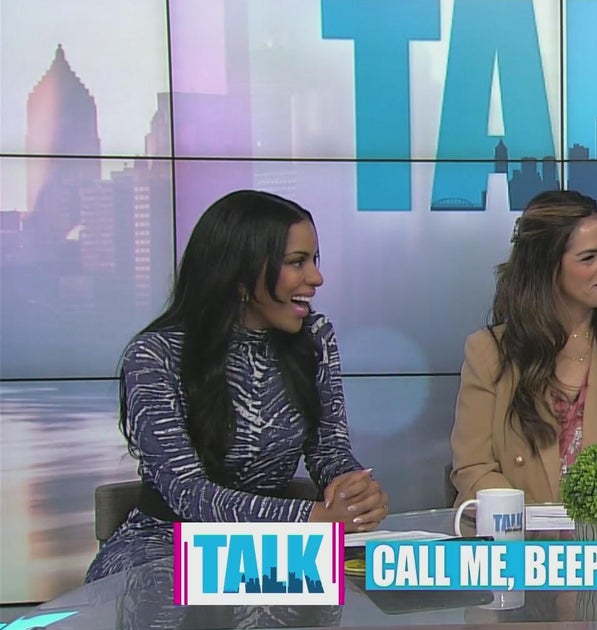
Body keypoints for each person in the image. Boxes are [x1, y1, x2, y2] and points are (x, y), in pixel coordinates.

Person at [86, 190, 386, 582]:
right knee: (253, 589)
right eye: (297, 262)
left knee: (373, 583)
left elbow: (328, 450)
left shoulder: (315, 337)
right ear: (241, 276)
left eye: (315, 260)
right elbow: (187, 492)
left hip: (278, 547)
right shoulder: (154, 355)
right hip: (168, 547)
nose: (316, 278)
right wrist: (312, 518)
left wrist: (354, 490)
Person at [451, 190, 597, 505]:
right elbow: (474, 465)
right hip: (521, 531)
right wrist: (520, 518)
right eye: (589, 257)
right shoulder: (489, 351)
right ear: (546, 266)